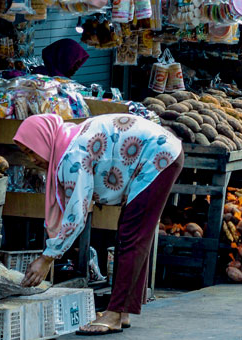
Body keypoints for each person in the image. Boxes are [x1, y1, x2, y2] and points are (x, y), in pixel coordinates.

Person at [14, 113, 184, 335]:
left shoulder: (72, 155)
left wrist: (47, 257)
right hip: (159, 154)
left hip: (159, 157)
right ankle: (122, 311)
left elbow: (76, 215)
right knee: (129, 235)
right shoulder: (69, 141)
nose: (32, 159)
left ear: (44, 139)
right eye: (26, 153)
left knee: (133, 236)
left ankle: (115, 313)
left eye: (31, 150)